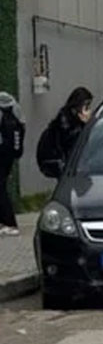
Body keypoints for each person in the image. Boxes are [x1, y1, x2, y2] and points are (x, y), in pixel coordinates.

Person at [36, 87, 93, 178]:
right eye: (86, 107)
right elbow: (71, 145)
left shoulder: (71, 120)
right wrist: (84, 124)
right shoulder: (65, 122)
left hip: (60, 160)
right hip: (55, 160)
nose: (89, 111)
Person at [0, 93, 25, 237]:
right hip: (9, 156)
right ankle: (5, 222)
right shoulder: (15, 110)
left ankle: (10, 222)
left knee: (1, 189)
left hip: (1, 154)